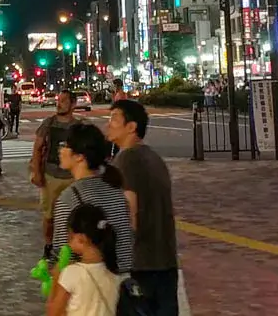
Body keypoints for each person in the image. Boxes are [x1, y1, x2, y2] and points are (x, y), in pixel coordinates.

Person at [107, 99, 179, 315]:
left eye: (114, 119)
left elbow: (129, 216)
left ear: (131, 127)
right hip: (165, 261)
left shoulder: (126, 160)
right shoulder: (154, 158)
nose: (108, 124)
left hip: (140, 265)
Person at [50, 122, 132, 274]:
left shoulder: (70, 197)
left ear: (80, 156)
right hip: (120, 281)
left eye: (64, 145)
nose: (60, 150)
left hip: (88, 286)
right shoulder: (115, 189)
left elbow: (63, 255)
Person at [47, 203, 123, 316]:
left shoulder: (71, 273)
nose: (68, 241)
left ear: (81, 239)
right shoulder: (115, 274)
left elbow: (53, 313)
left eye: (70, 236)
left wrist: (57, 277)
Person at [32, 90, 82, 249]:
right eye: (58, 100)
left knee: (73, 216)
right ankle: (48, 246)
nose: (58, 104)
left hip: (72, 177)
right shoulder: (49, 123)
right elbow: (37, 148)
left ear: (73, 104)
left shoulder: (79, 126)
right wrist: (37, 172)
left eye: (64, 101)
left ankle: (70, 248)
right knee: (49, 216)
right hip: (51, 175)